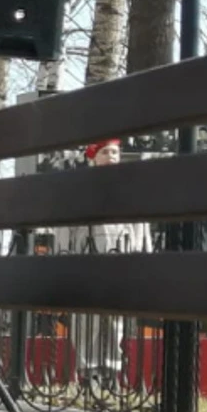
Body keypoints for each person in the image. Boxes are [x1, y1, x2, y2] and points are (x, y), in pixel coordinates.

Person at [65, 139, 152, 386]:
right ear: (94, 156)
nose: (112, 156)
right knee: (87, 320)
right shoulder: (80, 189)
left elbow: (140, 225)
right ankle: (88, 370)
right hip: (88, 258)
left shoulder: (130, 189)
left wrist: (142, 253)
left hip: (120, 258)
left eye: (115, 152)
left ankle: (111, 369)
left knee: (115, 320)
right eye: (106, 152)